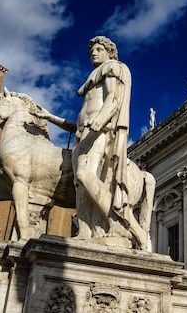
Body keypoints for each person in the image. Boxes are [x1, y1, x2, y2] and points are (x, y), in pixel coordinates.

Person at [33, 36, 133, 243]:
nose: (93, 54)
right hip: (84, 132)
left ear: (109, 52)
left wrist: (100, 121)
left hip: (99, 129)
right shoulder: (92, 78)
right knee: (80, 185)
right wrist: (50, 117)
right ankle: (86, 231)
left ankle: (118, 224)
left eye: (98, 49)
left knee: (84, 174)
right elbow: (76, 125)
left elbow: (114, 99)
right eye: (91, 52)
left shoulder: (112, 67)